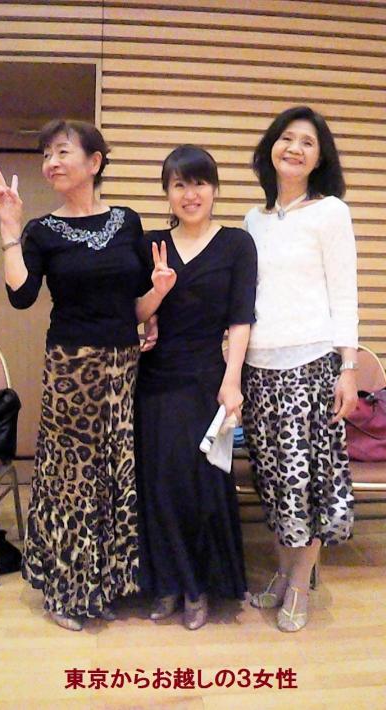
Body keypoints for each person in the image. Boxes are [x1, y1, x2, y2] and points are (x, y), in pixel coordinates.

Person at [0, 119, 173, 631]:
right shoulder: (41, 231)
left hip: (123, 365)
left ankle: (103, 584)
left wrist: (159, 293)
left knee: (113, 474)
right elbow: (22, 296)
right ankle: (65, 591)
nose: (51, 162)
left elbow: (134, 307)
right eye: (46, 154)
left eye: (62, 152)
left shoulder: (127, 222)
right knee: (70, 480)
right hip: (71, 367)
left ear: (94, 162)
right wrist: (9, 228)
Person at [242, 105, 358, 632]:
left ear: (319, 158)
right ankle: (285, 570)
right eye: (287, 138)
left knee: (304, 483)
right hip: (257, 369)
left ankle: (298, 585)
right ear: (271, 147)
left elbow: (345, 293)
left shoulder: (330, 212)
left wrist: (348, 367)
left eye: (307, 142)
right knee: (272, 482)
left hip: (309, 366)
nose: (294, 148)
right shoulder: (254, 220)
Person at [135, 144, 257, 630]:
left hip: (208, 379)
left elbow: (242, 317)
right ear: (167, 192)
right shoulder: (151, 244)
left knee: (200, 485)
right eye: (179, 184)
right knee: (159, 484)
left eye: (199, 183)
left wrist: (233, 381)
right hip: (155, 379)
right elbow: (136, 313)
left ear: (214, 189)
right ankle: (166, 583)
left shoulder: (237, 244)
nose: (190, 194)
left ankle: (198, 587)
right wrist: (157, 291)